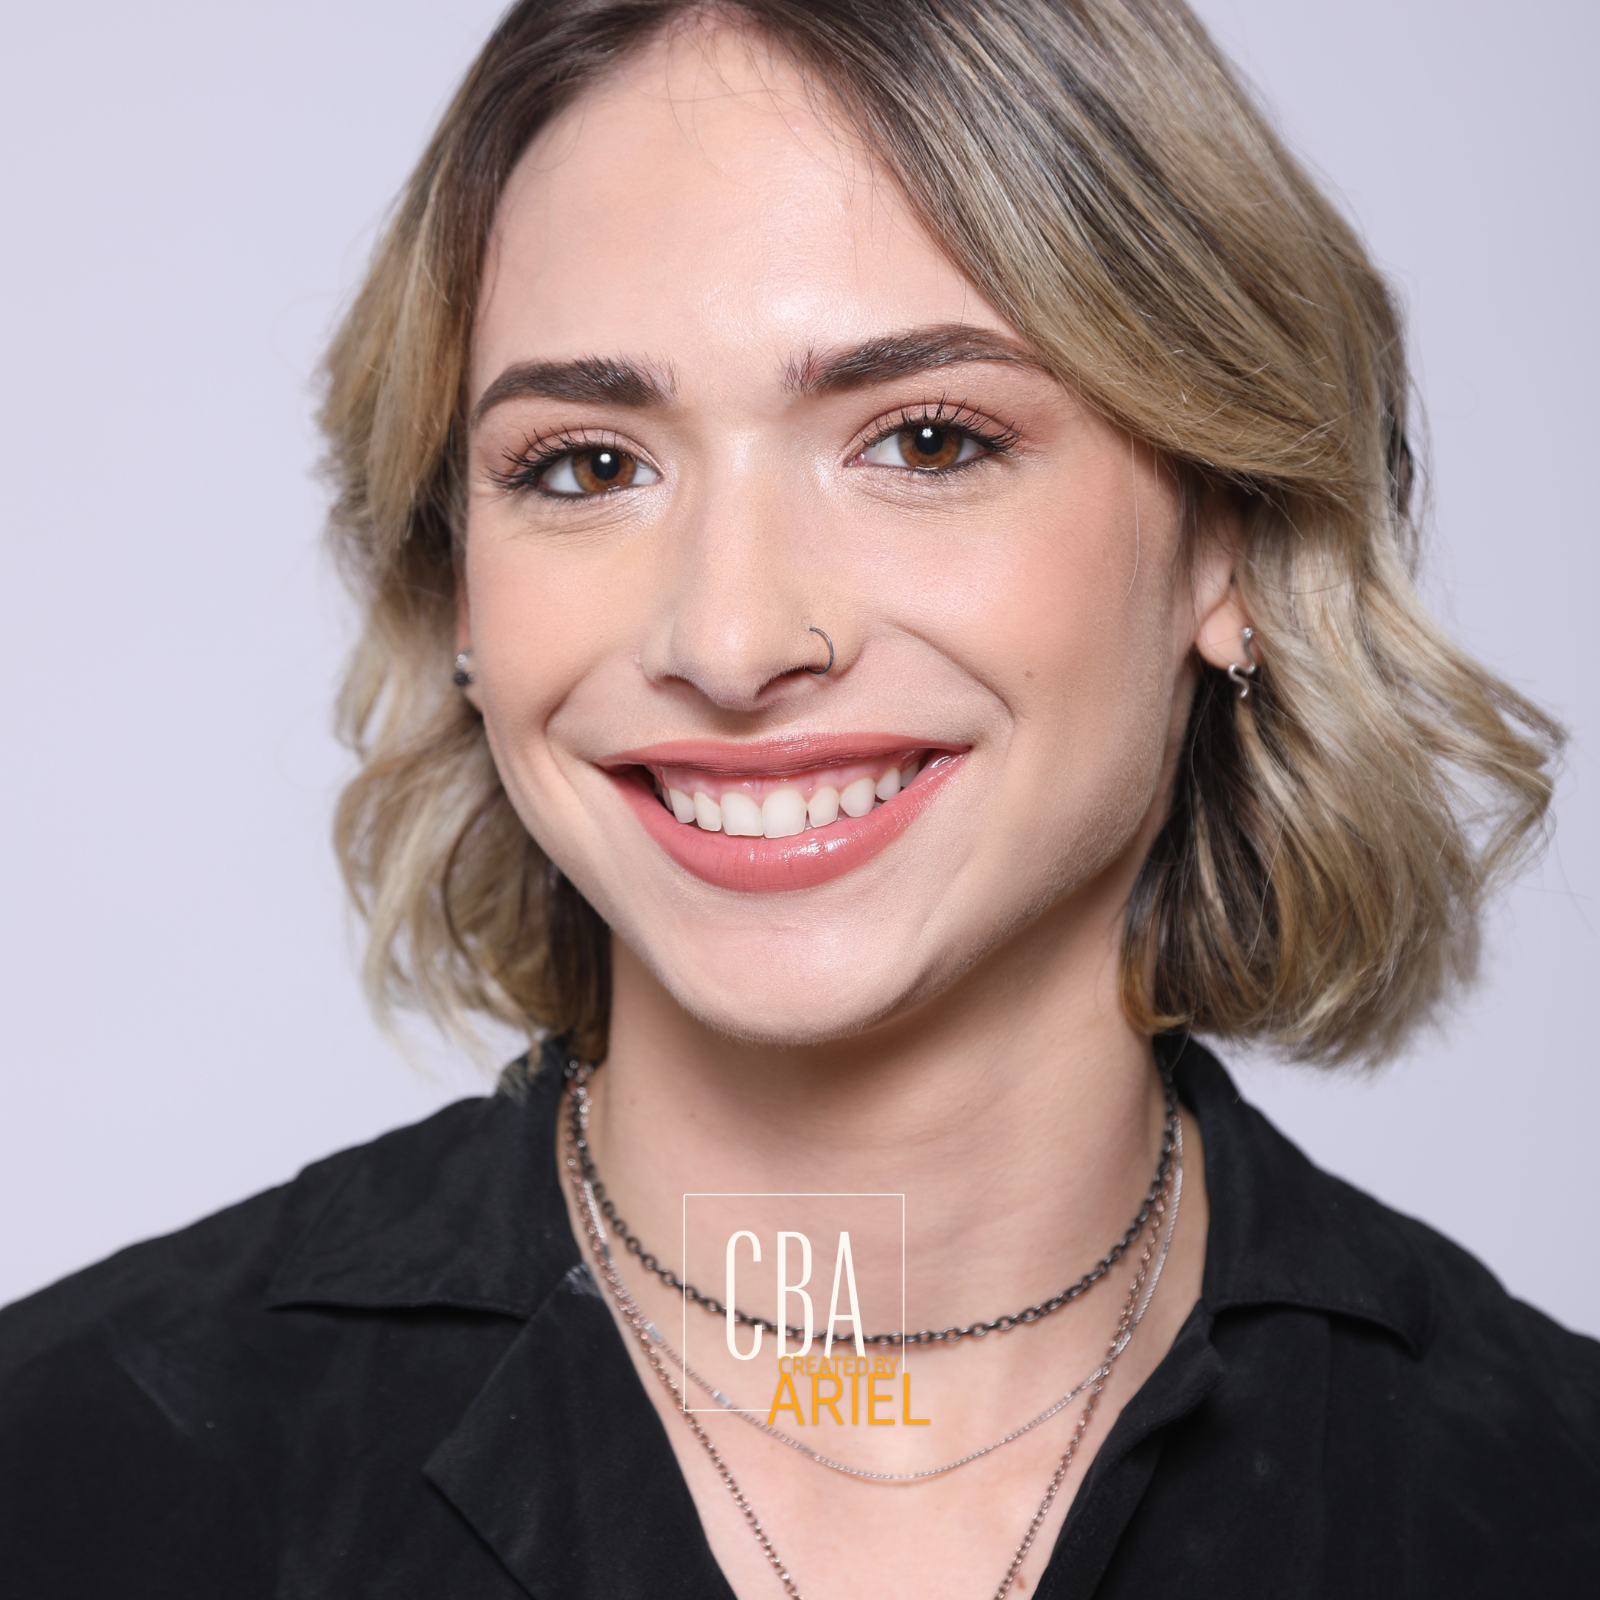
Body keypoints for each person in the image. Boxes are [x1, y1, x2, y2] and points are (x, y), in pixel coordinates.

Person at [1, 2, 1594, 1595]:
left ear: (1233, 537)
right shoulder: (67, 1476)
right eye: (587, 466)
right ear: (460, 598)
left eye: (924, 437)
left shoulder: (1542, 1504)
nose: (735, 639)